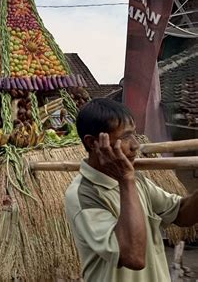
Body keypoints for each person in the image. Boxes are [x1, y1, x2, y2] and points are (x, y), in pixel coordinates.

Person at [65, 98, 198, 282]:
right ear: (93, 143)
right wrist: (126, 179)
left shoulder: (137, 180)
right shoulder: (83, 194)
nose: (135, 145)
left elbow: (182, 214)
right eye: (124, 137)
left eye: (133, 134)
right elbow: (133, 256)